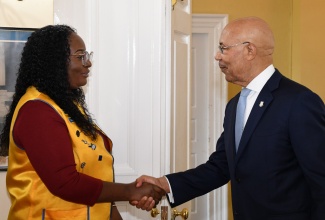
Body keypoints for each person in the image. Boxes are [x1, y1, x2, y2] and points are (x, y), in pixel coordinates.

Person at [133, 17, 325, 220]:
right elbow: (221, 166)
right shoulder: (235, 106)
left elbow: (321, 180)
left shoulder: (299, 102)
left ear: (250, 50)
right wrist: (164, 184)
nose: (217, 56)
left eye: (223, 48)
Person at [0, 25, 164, 220]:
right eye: (80, 56)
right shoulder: (37, 111)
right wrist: (129, 191)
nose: (88, 63)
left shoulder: (67, 106)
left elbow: (94, 174)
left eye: (87, 55)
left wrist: (116, 207)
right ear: (55, 62)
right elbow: (65, 183)